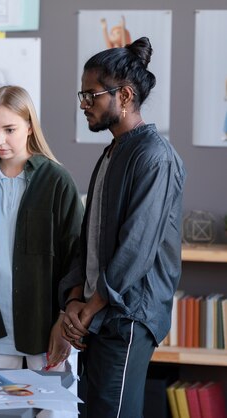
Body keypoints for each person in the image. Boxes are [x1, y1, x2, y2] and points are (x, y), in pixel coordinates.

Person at [60, 37, 186, 417]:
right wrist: (74, 300)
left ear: (125, 95)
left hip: (129, 316)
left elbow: (136, 249)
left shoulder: (154, 157)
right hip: (99, 315)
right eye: (82, 95)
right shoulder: (112, 152)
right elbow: (90, 240)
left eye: (91, 95)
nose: (84, 105)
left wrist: (91, 308)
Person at [0, 86, 84, 385]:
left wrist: (63, 321)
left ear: (29, 127)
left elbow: (77, 258)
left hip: (45, 323)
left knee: (54, 410)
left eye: (9, 129)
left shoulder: (57, 181)